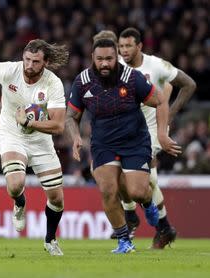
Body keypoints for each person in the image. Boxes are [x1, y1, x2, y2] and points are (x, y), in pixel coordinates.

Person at [65, 39, 181, 254]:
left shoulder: (131, 78)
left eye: (109, 58)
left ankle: (148, 204)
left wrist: (163, 134)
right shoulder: (82, 81)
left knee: (138, 192)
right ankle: (124, 241)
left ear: (116, 57)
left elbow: (161, 100)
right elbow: (71, 116)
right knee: (108, 191)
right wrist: (75, 137)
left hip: (134, 141)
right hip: (103, 144)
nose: (105, 64)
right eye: (100, 59)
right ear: (93, 58)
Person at [0, 39, 69, 256]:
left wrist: (31, 123)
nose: (29, 65)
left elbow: (58, 126)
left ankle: (50, 239)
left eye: (35, 62)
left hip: (41, 141)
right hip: (11, 135)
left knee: (56, 198)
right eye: (27, 59)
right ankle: (19, 203)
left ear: (45, 62)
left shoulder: (53, 84)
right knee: (15, 185)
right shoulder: (9, 71)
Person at [118, 27, 196, 248]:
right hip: (125, 129)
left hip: (153, 129)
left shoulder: (157, 66)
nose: (124, 51)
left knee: (142, 176)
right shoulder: (117, 67)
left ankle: (133, 217)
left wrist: (169, 115)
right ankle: (164, 227)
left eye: (128, 46)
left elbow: (189, 84)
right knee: (139, 178)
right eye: (121, 46)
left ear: (139, 46)